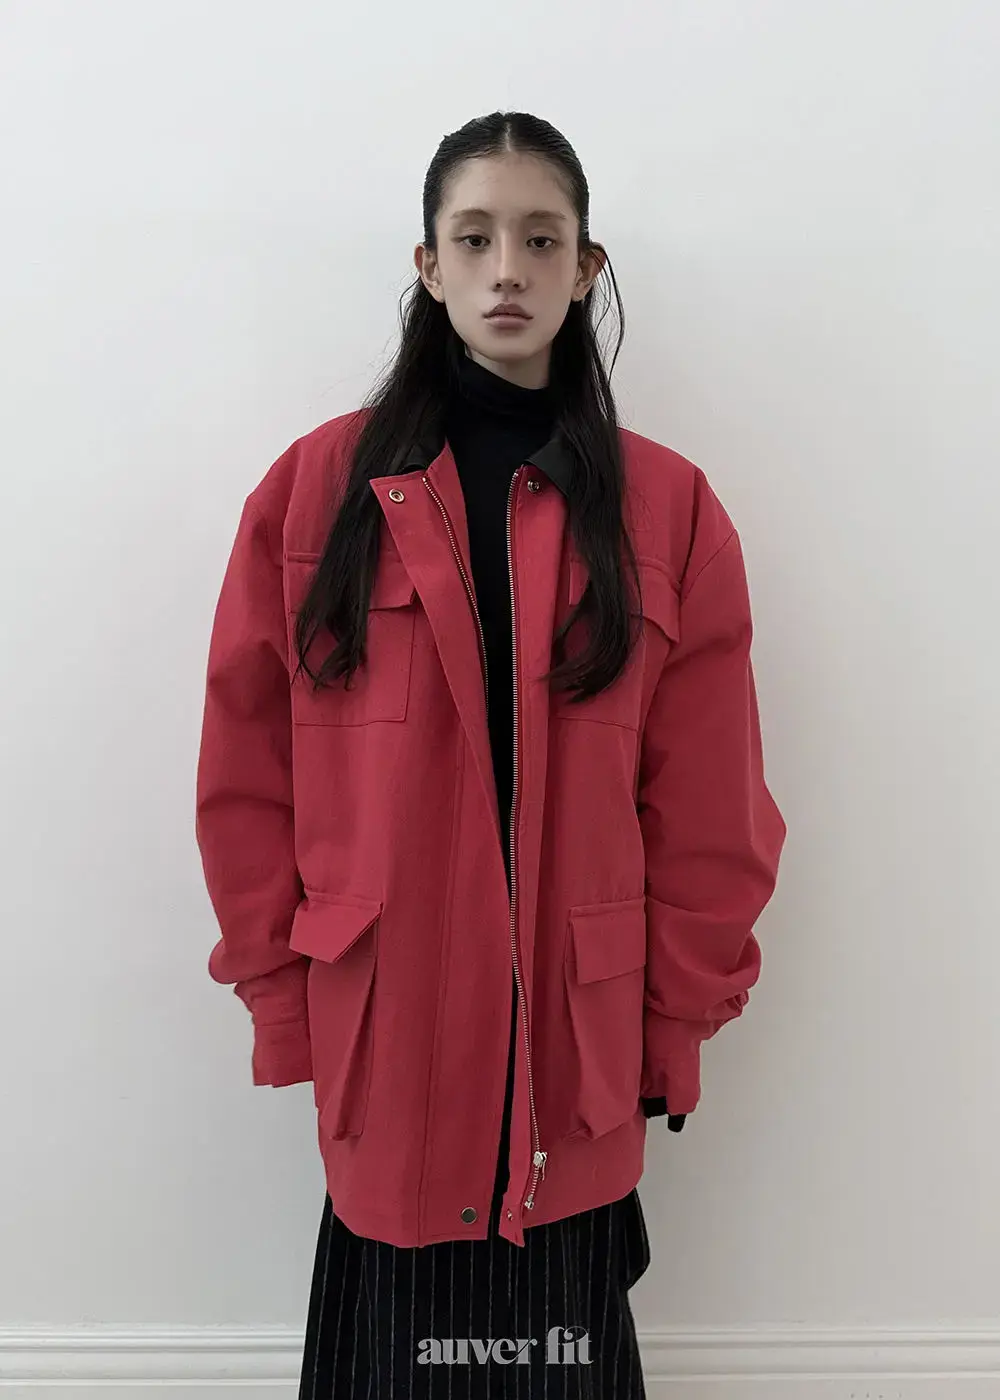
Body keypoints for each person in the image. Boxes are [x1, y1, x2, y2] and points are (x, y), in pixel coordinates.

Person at [195, 110, 786, 1399]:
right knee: (394, 1364)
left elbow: (713, 812)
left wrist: (673, 1026)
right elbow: (246, 781)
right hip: (388, 1044)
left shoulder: (668, 510)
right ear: (428, 264)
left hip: (577, 1058)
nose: (507, 268)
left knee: (556, 1360)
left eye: (541, 239)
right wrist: (283, 1002)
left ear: (586, 268)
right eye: (474, 239)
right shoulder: (313, 495)